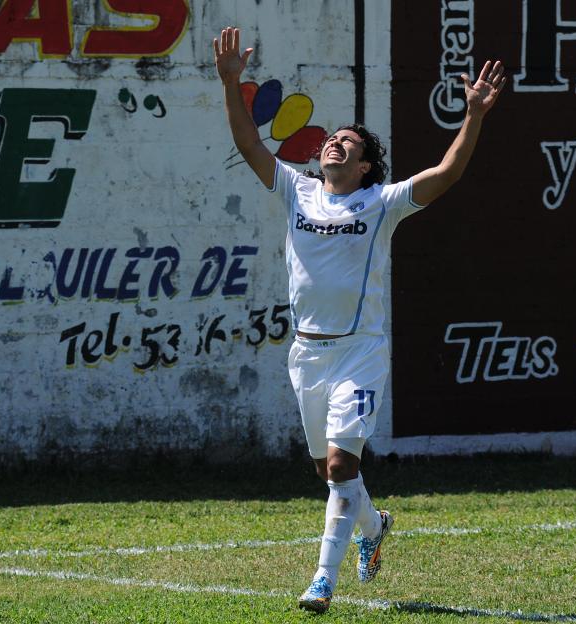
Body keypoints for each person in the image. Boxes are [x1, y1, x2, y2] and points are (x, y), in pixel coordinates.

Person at [213, 26, 504, 614]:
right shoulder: (297, 190)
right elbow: (249, 147)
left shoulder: (381, 203)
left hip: (360, 350)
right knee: (328, 471)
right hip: (308, 352)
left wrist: (473, 115)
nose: (336, 145)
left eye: (349, 143)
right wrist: (229, 83)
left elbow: (447, 172)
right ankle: (373, 525)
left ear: (368, 166)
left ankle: (323, 579)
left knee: (344, 464)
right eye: (333, 140)